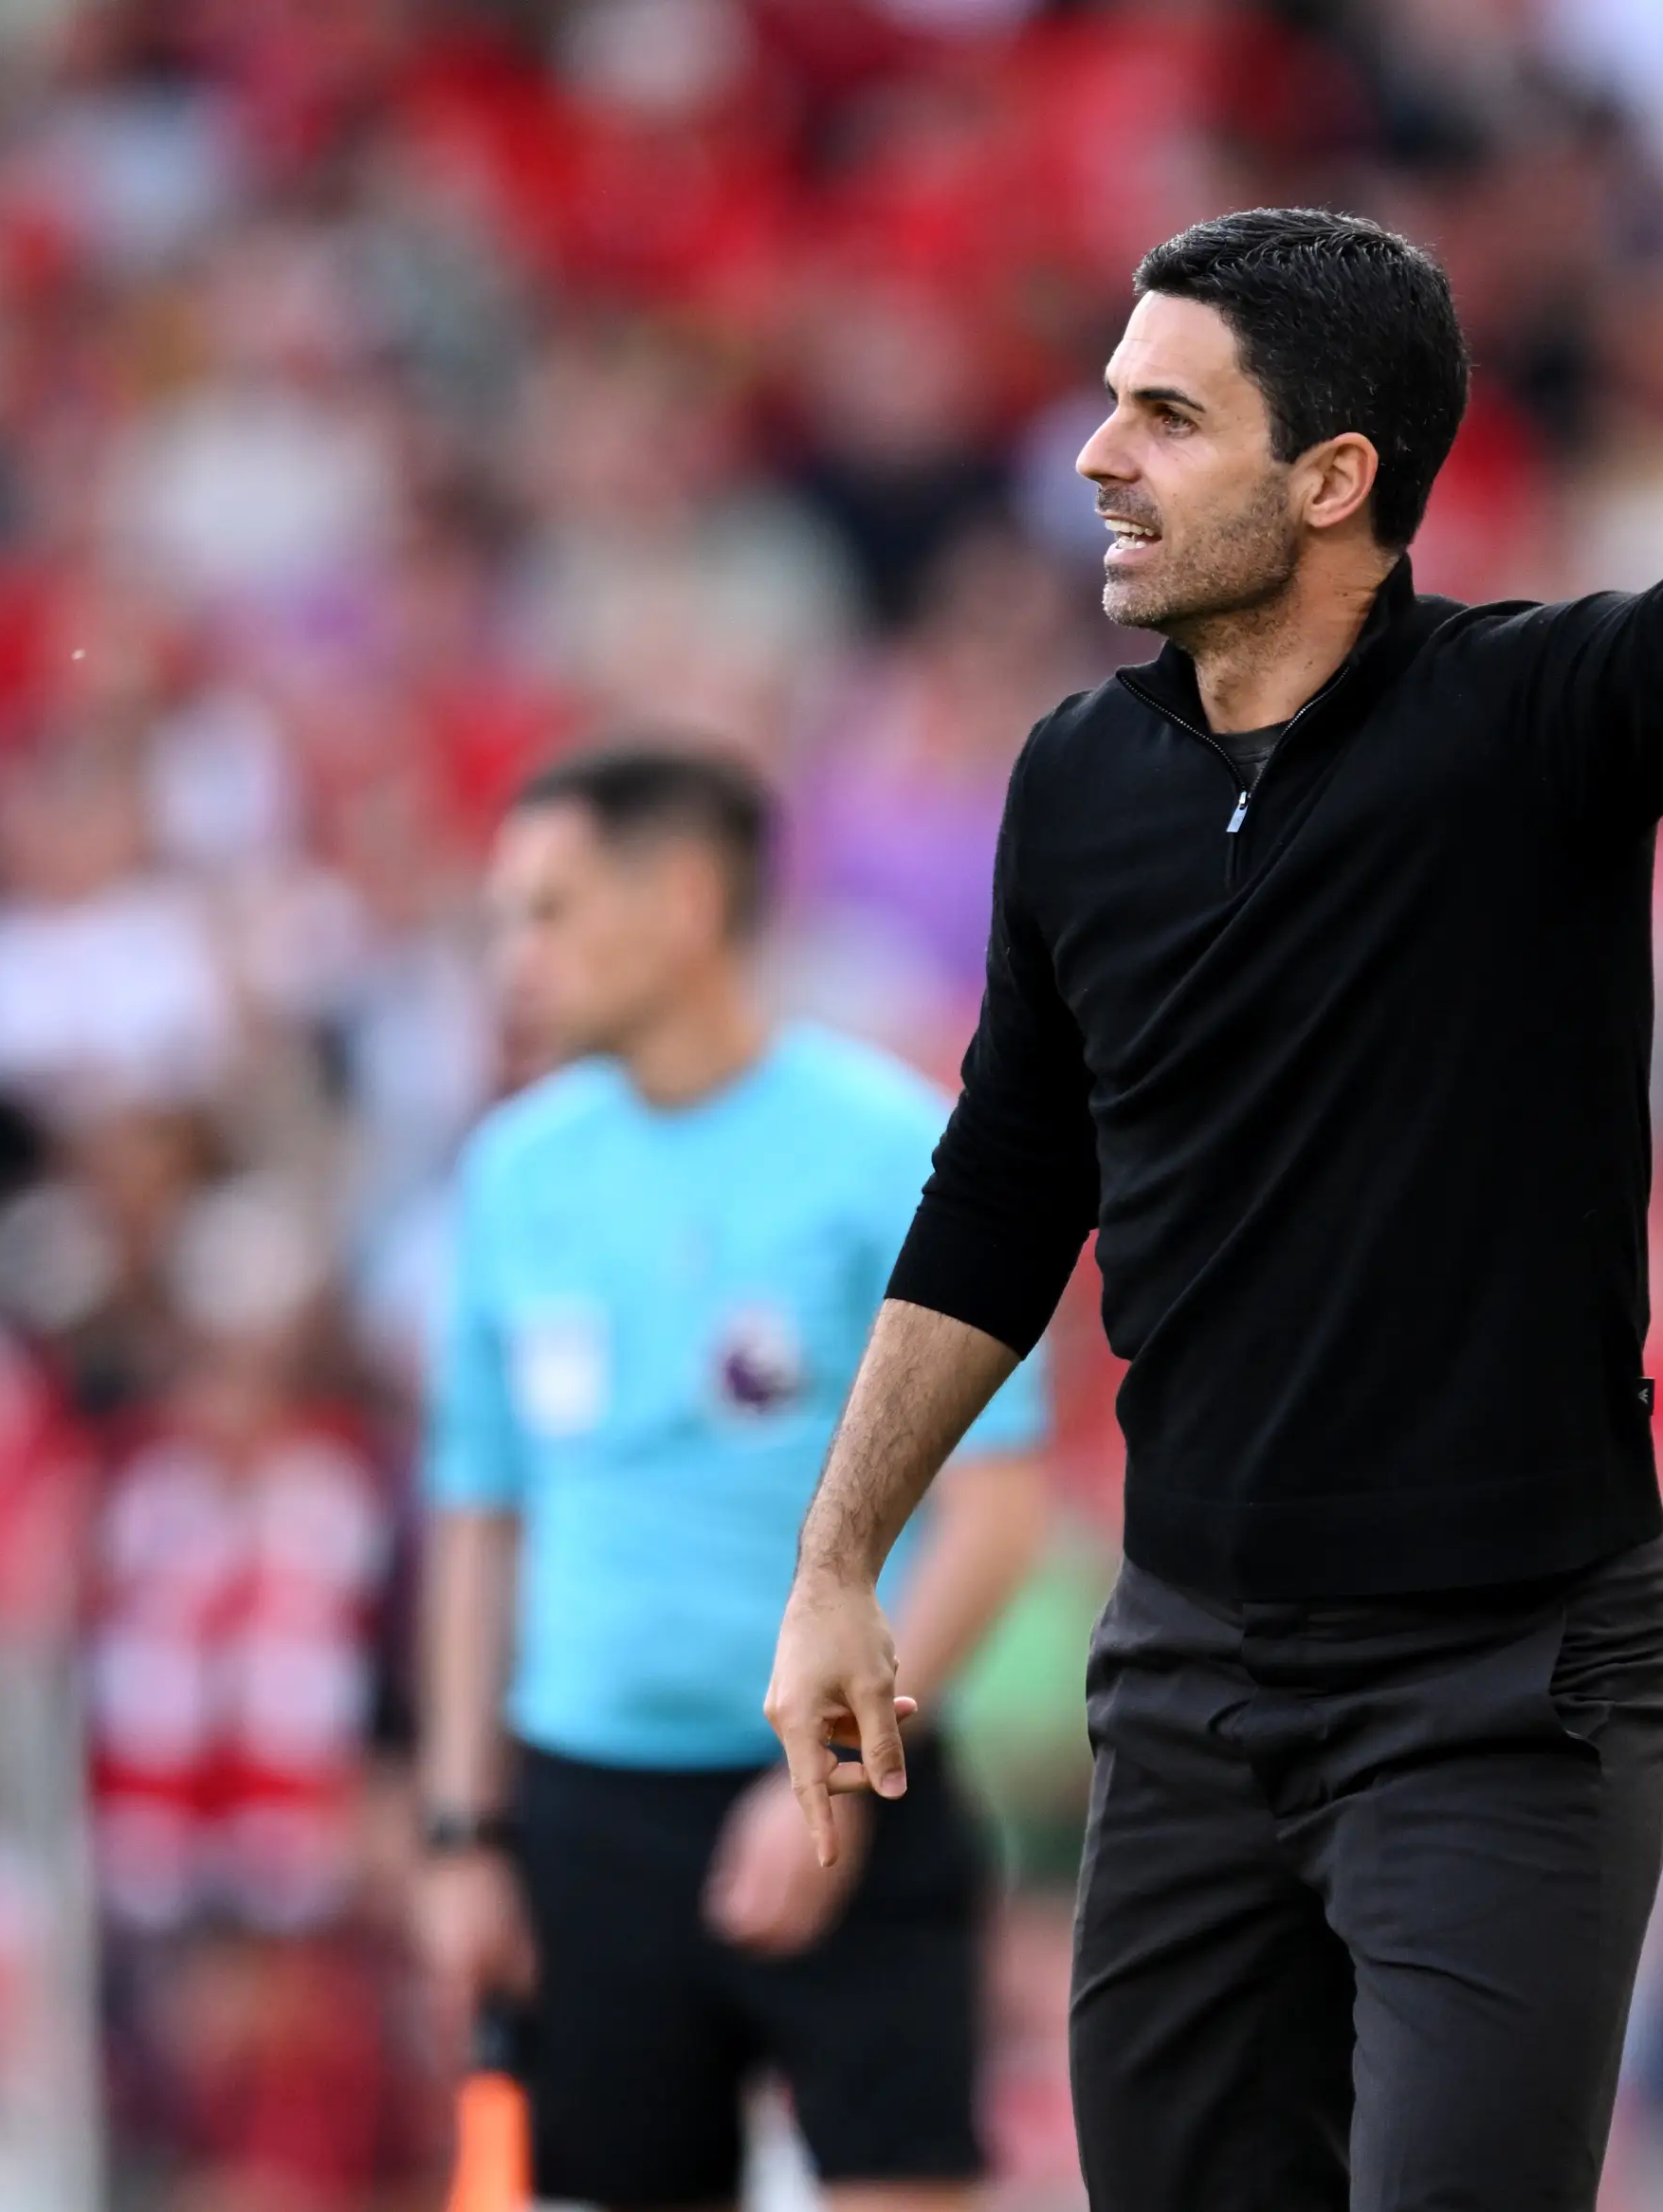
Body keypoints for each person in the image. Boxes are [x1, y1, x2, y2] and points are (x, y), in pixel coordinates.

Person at [756, 206, 1663, 2210]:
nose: (1097, 457)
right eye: (1108, 405)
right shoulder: (1077, 776)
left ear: (1333, 480)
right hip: (1189, 1665)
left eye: (1165, 415)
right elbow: (1000, 1187)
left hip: (1504, 1680)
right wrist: (838, 1560)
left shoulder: (1525, 727)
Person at [414, 745, 1050, 2212]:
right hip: (589, 1812)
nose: (517, 959)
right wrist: (464, 1832)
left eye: (551, 910)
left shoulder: (887, 1148)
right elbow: (478, 1518)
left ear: (689, 901)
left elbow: (999, 1515)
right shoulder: (515, 1174)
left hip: (851, 1793)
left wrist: (826, 1771)